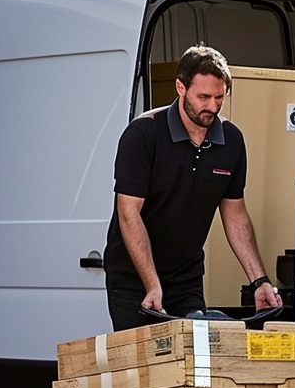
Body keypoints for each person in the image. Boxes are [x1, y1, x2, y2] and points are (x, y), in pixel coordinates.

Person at [103, 44, 282, 331]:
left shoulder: (232, 141)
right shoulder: (143, 135)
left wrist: (259, 281)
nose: (212, 106)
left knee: (195, 370)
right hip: (133, 280)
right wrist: (152, 285)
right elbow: (128, 214)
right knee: (148, 370)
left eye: (219, 97)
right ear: (180, 87)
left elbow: (235, 214)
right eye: (203, 97)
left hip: (186, 279)